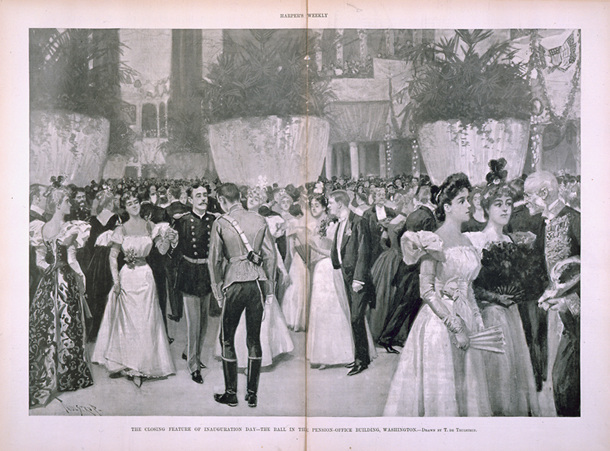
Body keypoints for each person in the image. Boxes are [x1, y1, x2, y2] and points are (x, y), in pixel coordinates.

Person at [383, 173, 491, 417]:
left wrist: (475, 318)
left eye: (469, 199)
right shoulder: (433, 240)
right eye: (462, 200)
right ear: (447, 206)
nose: (469, 205)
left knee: (467, 388)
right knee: (442, 392)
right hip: (440, 322)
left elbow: (469, 286)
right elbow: (427, 290)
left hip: (467, 319)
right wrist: (455, 325)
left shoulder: (471, 240)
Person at [466, 162, 542, 416]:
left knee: (513, 371)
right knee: (495, 371)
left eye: (508, 204)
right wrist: (496, 296)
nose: (505, 209)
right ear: (486, 208)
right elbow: (470, 285)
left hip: (511, 316)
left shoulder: (512, 240)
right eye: (498, 205)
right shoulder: (476, 240)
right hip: (488, 316)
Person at [91, 192, 175, 388]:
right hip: (127, 277)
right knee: (129, 322)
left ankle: (143, 364)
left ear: (140, 204)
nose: (133, 205)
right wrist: (117, 282)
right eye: (129, 203)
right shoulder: (121, 228)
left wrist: (168, 239)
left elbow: (161, 250)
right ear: (125, 208)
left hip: (145, 276)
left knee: (146, 319)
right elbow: (113, 257)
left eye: (136, 202)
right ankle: (129, 364)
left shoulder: (149, 225)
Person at [209, 183, 277, 408]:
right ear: (240, 197)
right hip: (257, 283)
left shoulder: (221, 222)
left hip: (234, 283)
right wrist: (270, 288)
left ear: (221, 199)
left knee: (227, 338)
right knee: (254, 338)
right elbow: (270, 257)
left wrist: (216, 288)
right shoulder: (259, 219)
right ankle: (252, 394)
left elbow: (214, 260)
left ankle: (230, 394)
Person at [29, 185, 93, 408]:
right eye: (67, 201)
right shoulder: (70, 228)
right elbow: (73, 261)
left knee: (49, 324)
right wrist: (82, 281)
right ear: (58, 204)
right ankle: (68, 375)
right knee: (67, 324)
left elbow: (40, 261)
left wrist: (48, 268)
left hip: (47, 282)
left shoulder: (42, 228)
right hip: (65, 280)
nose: (70, 204)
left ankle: (52, 370)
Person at [524, 171, 580, 417]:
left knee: (565, 385)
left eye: (528, 196)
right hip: (555, 318)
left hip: (578, 320)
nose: (524, 202)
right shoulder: (541, 222)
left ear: (543, 194)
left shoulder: (575, 221)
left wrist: (569, 301)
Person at [377, 178, 438, 353]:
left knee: (407, 302)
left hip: (407, 265)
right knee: (407, 303)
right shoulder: (427, 217)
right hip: (416, 267)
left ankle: (402, 337)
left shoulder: (413, 215)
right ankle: (387, 338)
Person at [172, 182, 216, 384]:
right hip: (190, 272)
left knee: (204, 321)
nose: (203, 199)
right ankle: (193, 364)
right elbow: (175, 250)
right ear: (190, 200)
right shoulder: (182, 221)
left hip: (206, 272)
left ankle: (194, 354)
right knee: (193, 322)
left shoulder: (213, 220)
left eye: (205, 195)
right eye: (198, 196)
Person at [306, 195, 358, 368]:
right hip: (322, 268)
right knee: (322, 309)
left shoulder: (339, 223)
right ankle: (323, 355)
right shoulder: (325, 223)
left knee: (335, 307)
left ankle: (344, 353)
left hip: (331, 266)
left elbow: (336, 252)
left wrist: (315, 248)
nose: (325, 207)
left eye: (326, 204)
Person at [329, 190, 374, 376]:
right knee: (353, 318)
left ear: (340, 203)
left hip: (357, 279)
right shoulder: (340, 223)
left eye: (330, 202)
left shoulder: (359, 222)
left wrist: (358, 279)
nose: (328, 206)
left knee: (356, 318)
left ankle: (361, 361)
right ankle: (360, 356)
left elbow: (364, 252)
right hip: (345, 276)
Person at [83, 189, 122, 342]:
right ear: (110, 202)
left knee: (96, 295)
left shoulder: (93, 220)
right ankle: (107, 331)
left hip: (95, 260)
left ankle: (94, 330)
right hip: (109, 258)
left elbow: (90, 245)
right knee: (108, 293)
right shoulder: (115, 218)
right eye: (113, 201)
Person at [30, 183, 48, 301]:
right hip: (35, 272)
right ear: (36, 199)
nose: (49, 199)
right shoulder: (34, 220)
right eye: (46, 195)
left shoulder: (41, 217)